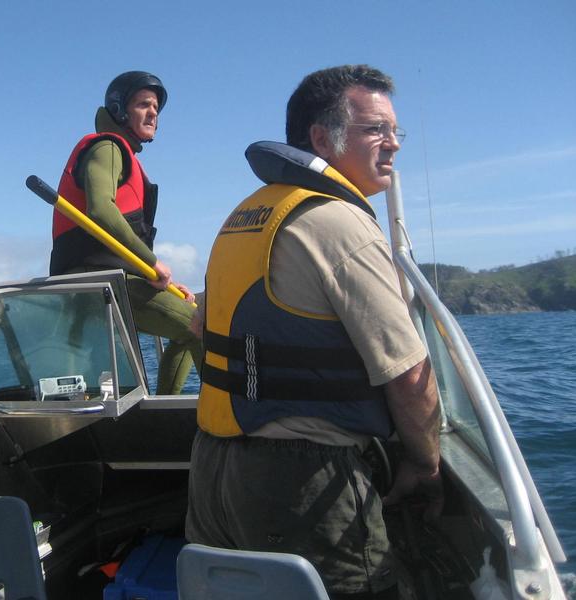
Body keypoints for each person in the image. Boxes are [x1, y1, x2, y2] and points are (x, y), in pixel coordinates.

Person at [186, 65, 443, 599]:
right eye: (376, 129)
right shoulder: (338, 221)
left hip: (212, 469)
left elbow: (198, 325)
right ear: (322, 138)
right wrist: (424, 461)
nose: (393, 144)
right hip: (304, 479)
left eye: (396, 131)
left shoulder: (243, 218)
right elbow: (408, 372)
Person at [49, 71, 201, 394]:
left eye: (156, 109)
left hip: (105, 278)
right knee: (200, 326)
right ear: (119, 110)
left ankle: (163, 416)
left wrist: (164, 280)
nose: (153, 114)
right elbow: (101, 211)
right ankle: (212, 426)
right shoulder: (108, 148)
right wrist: (152, 261)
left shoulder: (121, 153)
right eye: (144, 104)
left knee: (191, 320)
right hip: (100, 281)